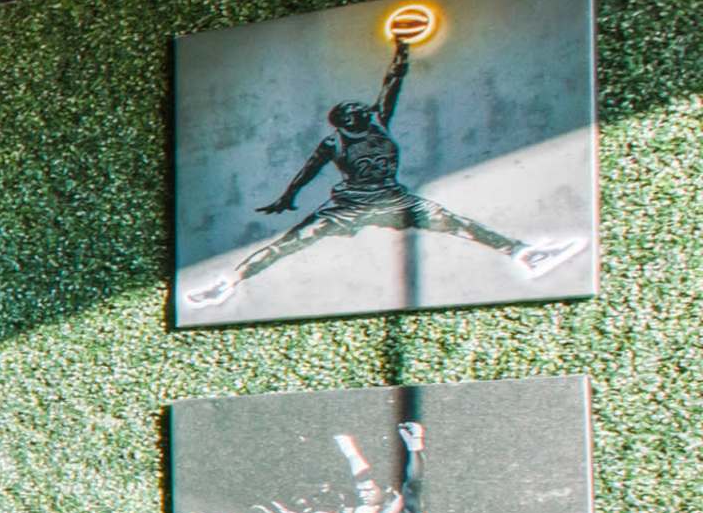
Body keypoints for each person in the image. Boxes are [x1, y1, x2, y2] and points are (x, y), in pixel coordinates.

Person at [184, 33, 586, 309]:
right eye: (355, 113)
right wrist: (287, 198)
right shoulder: (335, 143)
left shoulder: (378, 121)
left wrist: (401, 52)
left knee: (454, 221)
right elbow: (307, 172)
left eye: (363, 109)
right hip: (351, 205)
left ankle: (523, 253)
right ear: (344, 122)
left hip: (392, 197)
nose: (363, 112)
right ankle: (229, 283)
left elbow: (391, 84)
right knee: (291, 243)